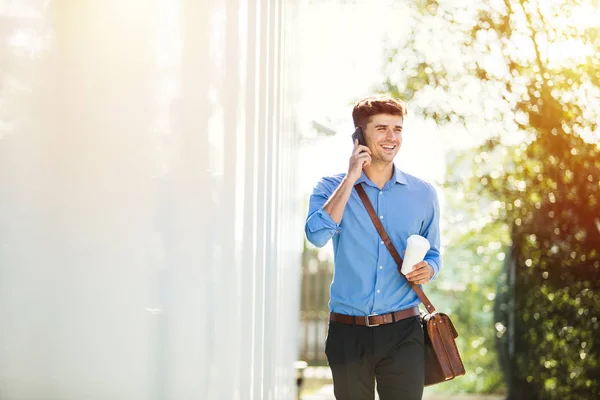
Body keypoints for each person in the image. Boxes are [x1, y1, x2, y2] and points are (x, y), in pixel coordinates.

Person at [304, 95, 441, 400]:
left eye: (398, 129)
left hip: (403, 329)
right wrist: (352, 177)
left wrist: (428, 268)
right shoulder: (330, 188)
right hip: (348, 331)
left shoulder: (423, 194)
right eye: (381, 128)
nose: (392, 137)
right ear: (359, 136)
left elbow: (435, 253)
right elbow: (316, 235)